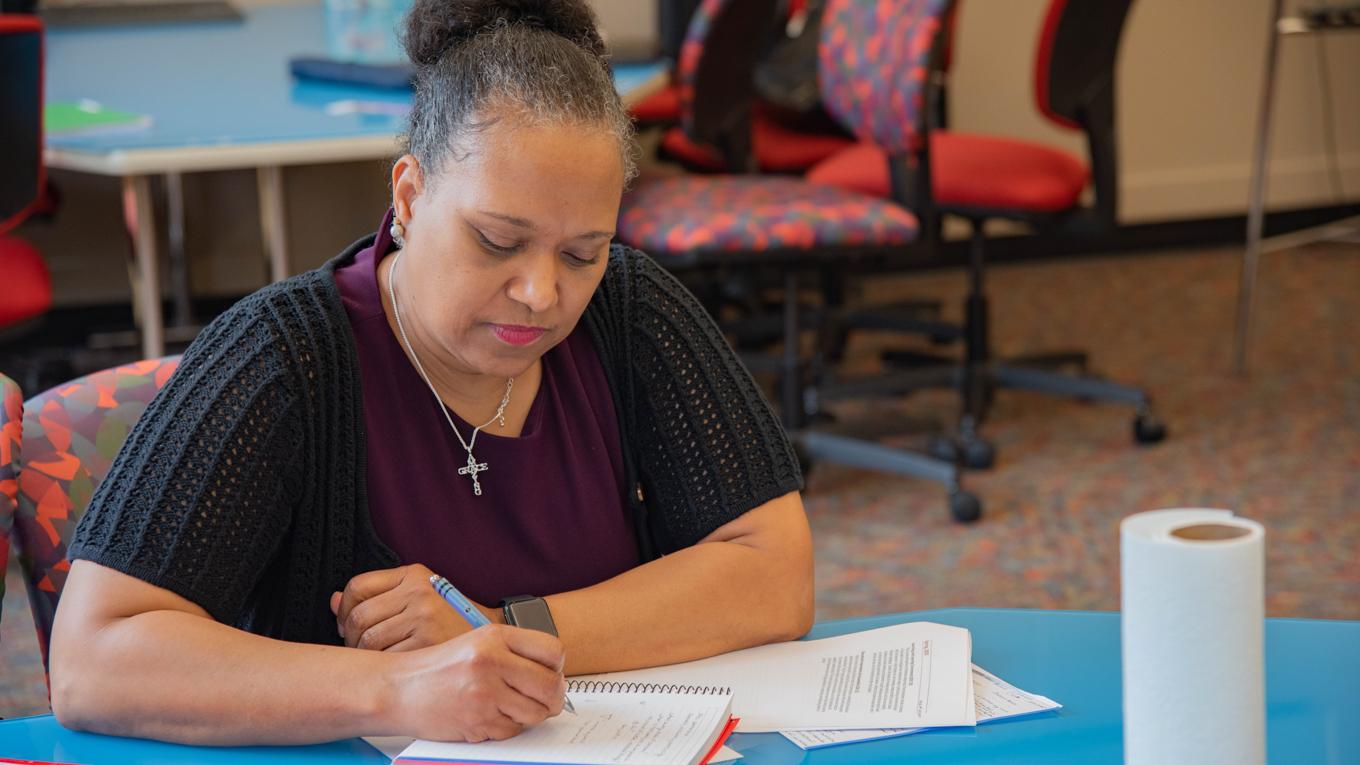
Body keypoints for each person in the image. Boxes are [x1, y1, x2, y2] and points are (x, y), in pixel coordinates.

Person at [48, 0, 813, 747]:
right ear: (409, 195)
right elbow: (93, 662)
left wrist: (501, 628)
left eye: (582, 252)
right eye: (496, 241)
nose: (542, 293)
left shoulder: (630, 308)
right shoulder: (284, 357)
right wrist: (405, 688)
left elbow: (776, 571)